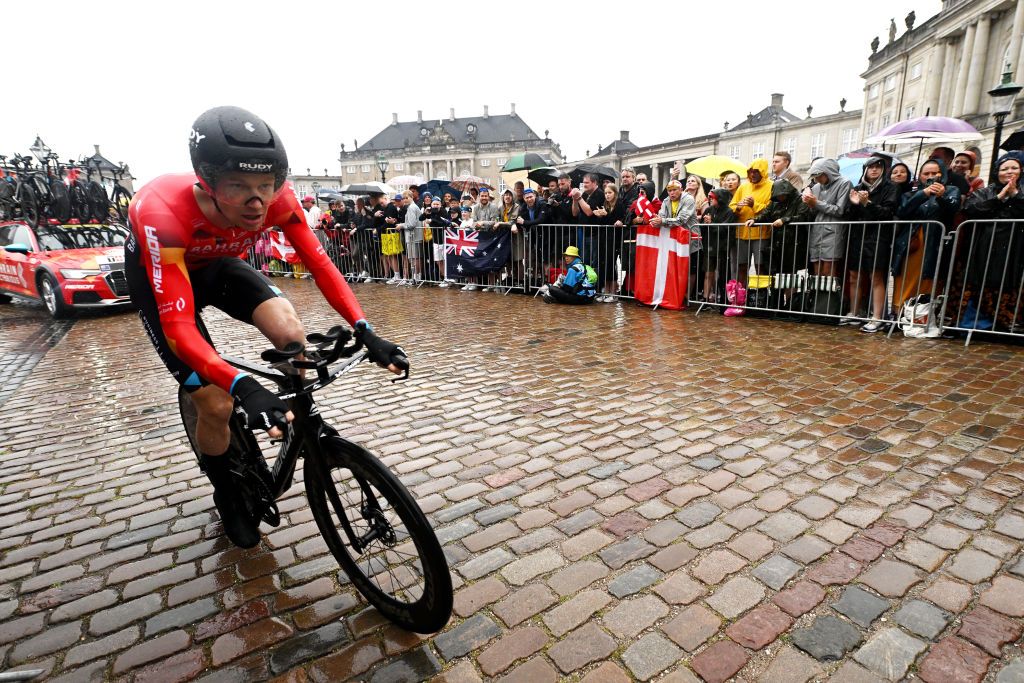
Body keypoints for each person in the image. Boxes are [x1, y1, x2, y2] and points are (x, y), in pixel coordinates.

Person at [125, 106, 405, 548]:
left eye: (265, 185)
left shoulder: (281, 200)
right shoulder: (162, 212)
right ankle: (228, 493)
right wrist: (243, 386)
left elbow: (321, 265)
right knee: (215, 404)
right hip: (164, 277)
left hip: (218, 265)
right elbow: (178, 323)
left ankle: (297, 421)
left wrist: (364, 328)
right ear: (207, 181)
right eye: (238, 187)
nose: (258, 202)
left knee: (291, 333)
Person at [955, 152, 1024, 331]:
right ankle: (976, 323)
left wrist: (1015, 194)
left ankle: (1005, 323)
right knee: (980, 283)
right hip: (983, 247)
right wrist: (999, 198)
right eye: (1004, 168)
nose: (1009, 172)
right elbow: (971, 208)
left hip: (1014, 248)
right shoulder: (985, 192)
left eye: (1014, 168)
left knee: (1007, 284)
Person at [893, 158, 961, 308]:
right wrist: (922, 194)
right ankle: (899, 312)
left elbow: (953, 209)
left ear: (941, 174)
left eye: (934, 173)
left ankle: (922, 314)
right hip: (911, 242)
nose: (930, 176)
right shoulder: (910, 194)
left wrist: (941, 196)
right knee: (905, 277)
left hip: (935, 242)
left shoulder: (951, 190)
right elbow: (902, 211)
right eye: (926, 173)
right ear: (920, 175)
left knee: (930, 278)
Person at [844, 155, 900, 332]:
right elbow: (849, 214)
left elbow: (887, 212)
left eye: (877, 166)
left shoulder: (890, 188)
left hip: (878, 237)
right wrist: (854, 204)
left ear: (883, 169)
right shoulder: (858, 187)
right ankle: (854, 311)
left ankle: (877, 316)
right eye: (870, 167)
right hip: (858, 236)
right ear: (865, 170)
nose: (874, 169)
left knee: (876, 276)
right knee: (854, 275)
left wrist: (867, 203)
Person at [802, 158, 852, 278]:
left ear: (828, 171)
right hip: (817, 230)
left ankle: (828, 297)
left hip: (834, 231)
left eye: (819, 175)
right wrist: (808, 203)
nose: (816, 179)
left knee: (828, 271)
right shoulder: (816, 187)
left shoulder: (844, 183)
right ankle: (817, 296)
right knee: (817, 270)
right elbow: (813, 211)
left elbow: (839, 210)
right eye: (814, 176)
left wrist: (816, 203)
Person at [652, 179, 699, 298]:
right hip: (673, 239)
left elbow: (682, 219)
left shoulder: (688, 199)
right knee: (674, 267)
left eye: (674, 190)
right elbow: (661, 215)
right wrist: (657, 221)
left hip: (690, 238)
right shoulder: (666, 201)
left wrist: (662, 221)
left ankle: (687, 295)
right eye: (669, 191)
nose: (671, 193)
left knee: (690, 269)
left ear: (681, 190)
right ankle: (675, 293)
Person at [730, 160, 774, 286]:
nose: (752, 175)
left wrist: (754, 205)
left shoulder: (771, 186)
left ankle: (761, 298)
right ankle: (741, 298)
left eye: (756, 172)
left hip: (761, 234)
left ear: (763, 172)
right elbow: (732, 206)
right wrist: (738, 207)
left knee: (761, 267)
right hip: (742, 233)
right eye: (750, 172)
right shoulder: (743, 186)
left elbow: (771, 209)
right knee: (742, 266)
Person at [592, 183, 626, 301]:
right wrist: (599, 216)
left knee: (611, 264)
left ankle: (613, 293)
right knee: (603, 263)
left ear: (615, 193)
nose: (607, 195)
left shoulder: (619, 205)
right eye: (606, 193)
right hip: (603, 237)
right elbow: (602, 223)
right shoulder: (605, 205)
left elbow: (616, 221)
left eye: (609, 193)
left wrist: (606, 215)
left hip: (614, 238)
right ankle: (605, 291)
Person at [701, 188, 736, 304]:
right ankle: (705, 298)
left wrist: (712, 223)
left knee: (723, 274)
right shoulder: (708, 210)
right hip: (710, 245)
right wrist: (704, 223)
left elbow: (726, 229)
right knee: (708, 272)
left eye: (713, 198)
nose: (710, 199)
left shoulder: (729, 212)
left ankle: (724, 300)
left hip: (722, 247)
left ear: (720, 199)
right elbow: (702, 227)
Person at [422, 196, 452, 286]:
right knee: (438, 260)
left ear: (440, 205)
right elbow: (421, 218)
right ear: (431, 204)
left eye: (437, 204)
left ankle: (448, 278)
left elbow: (442, 222)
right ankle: (444, 277)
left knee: (445, 259)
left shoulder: (443, 211)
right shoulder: (431, 211)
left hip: (444, 239)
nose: (435, 205)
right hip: (435, 240)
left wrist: (431, 220)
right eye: (434, 204)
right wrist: (425, 213)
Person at [495, 189, 520, 287]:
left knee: (517, 259)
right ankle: (509, 279)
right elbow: (497, 219)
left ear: (513, 197)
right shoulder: (501, 207)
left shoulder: (516, 206)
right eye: (505, 195)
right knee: (507, 259)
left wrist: (500, 223)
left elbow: (512, 221)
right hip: (504, 237)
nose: (507, 197)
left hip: (515, 236)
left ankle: (519, 281)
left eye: (509, 195)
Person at [402, 190, 423, 284]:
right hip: (414, 236)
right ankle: (416, 277)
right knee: (414, 258)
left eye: (407, 198)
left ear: (411, 197)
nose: (405, 200)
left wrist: (401, 226)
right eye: (404, 198)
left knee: (415, 258)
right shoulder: (412, 207)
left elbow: (411, 224)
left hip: (413, 236)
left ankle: (416, 277)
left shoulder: (412, 207)